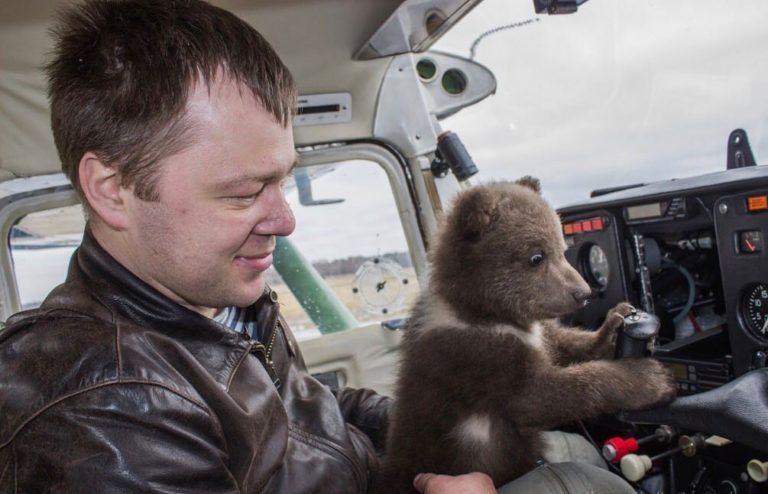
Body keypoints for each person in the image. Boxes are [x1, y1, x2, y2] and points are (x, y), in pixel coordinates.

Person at [0, 0, 635, 492]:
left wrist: (436, 423)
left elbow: (316, 409)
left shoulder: (211, 299)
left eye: (283, 179)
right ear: (112, 190)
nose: (283, 220)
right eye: (244, 192)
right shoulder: (100, 414)